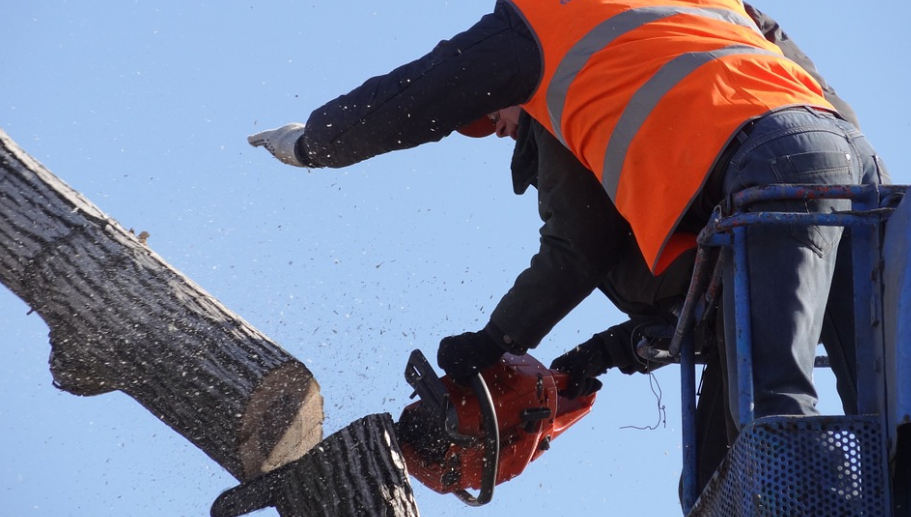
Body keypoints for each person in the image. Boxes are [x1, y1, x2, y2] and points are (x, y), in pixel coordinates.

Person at [249, 1, 890, 434]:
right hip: (853, 168)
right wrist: (601, 354)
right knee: (884, 409)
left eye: (493, 114)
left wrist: (316, 142)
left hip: (768, 171)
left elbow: (419, 96)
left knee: (771, 404)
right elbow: (825, 98)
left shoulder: (538, 29)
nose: (498, 130)